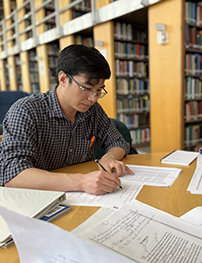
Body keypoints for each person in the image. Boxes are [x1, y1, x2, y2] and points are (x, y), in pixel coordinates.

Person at [0, 44, 133, 195]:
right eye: (86, 88)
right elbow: (12, 174)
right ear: (63, 78)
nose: (93, 98)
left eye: (98, 91)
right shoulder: (26, 111)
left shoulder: (92, 110)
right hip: (37, 197)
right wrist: (81, 182)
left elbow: (118, 142)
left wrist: (108, 158)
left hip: (82, 196)